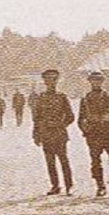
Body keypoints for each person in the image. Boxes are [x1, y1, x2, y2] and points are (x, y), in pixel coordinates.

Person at [30, 67, 75, 195]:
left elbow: (70, 116)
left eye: (54, 79)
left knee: (64, 160)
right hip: (46, 134)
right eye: (48, 79)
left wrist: (61, 125)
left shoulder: (62, 97)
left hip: (59, 134)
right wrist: (36, 134)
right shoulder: (40, 98)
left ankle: (69, 185)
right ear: (44, 82)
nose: (51, 82)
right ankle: (55, 186)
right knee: (50, 162)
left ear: (57, 81)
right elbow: (36, 118)